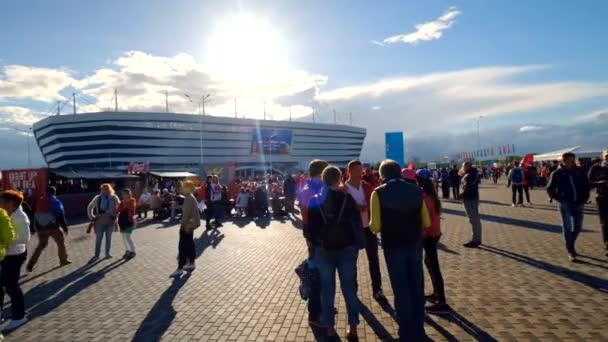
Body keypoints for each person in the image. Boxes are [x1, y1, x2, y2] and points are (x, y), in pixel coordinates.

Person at [369, 160, 431, 342]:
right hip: (414, 244)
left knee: (401, 288)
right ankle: (419, 329)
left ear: (382, 175)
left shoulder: (378, 193)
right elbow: (426, 222)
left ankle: (406, 333)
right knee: (417, 286)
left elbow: (375, 226)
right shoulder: (416, 190)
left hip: (393, 245)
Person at [307, 166, 361, 341]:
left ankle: (330, 329)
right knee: (349, 289)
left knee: (327, 291)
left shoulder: (315, 200)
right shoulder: (347, 198)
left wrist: (314, 246)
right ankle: (353, 328)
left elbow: (309, 231)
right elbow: (356, 224)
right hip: (347, 249)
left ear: (323, 179)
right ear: (339, 178)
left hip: (324, 250)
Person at [344, 160, 388, 304]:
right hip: (352, 230)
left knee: (374, 259)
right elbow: (341, 211)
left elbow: (375, 204)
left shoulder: (367, 187)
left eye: (360, 170)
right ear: (349, 171)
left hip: (369, 228)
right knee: (352, 261)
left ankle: (377, 289)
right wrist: (354, 208)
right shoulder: (343, 189)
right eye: (356, 171)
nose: (359, 173)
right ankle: (353, 290)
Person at [297, 159, 328, 328]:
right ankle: (314, 314)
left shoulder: (306, 188)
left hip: (311, 235)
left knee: (319, 272)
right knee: (317, 275)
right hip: (317, 237)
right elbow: (308, 215)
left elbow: (305, 216)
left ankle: (319, 308)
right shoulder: (316, 189)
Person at [414, 170, 449, 314]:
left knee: (434, 266)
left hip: (428, 235)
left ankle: (442, 301)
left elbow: (424, 222)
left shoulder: (425, 198)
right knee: (429, 263)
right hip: (435, 234)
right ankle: (436, 293)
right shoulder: (432, 195)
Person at [547, 152, 591, 262]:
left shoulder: (579, 171)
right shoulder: (557, 173)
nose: (572, 162)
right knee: (567, 226)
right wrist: (560, 198)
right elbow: (549, 188)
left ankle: (570, 243)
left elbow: (586, 185)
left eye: (573, 160)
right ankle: (570, 250)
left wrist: (585, 197)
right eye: (570, 160)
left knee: (578, 227)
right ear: (564, 161)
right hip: (565, 202)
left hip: (579, 202)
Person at [0, 191, 30, 330]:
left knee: (11, 286)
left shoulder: (21, 217)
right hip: (4, 254)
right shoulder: (5, 214)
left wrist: (6, 241)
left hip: (16, 255)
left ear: (11, 203)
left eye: (3, 202)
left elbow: (25, 238)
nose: (0, 204)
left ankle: (19, 316)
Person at [26, 186, 71, 272]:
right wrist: (65, 228)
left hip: (40, 228)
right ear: (54, 192)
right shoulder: (55, 201)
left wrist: (33, 228)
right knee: (60, 243)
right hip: (52, 227)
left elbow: (33, 214)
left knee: (41, 245)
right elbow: (60, 215)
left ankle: (31, 263)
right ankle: (63, 260)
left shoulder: (39, 200)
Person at [171, 181, 201, 277]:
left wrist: (182, 225)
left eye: (184, 187)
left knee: (182, 246)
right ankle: (191, 263)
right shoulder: (191, 197)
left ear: (188, 188)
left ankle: (180, 267)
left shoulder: (188, 198)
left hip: (187, 225)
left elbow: (186, 214)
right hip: (191, 225)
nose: (182, 189)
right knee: (189, 244)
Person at [87, 183, 120, 262]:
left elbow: (119, 206)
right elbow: (90, 207)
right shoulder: (98, 198)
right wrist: (92, 217)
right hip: (100, 221)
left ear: (110, 189)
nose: (105, 190)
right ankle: (96, 255)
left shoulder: (114, 197)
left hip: (110, 221)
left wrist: (116, 215)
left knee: (108, 238)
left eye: (107, 189)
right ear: (101, 190)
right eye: (103, 189)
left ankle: (107, 253)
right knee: (99, 239)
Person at [588, 150, 608, 255]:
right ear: (603, 157)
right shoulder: (596, 168)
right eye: (607, 156)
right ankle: (607, 243)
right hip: (602, 197)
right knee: (605, 222)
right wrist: (600, 183)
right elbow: (589, 182)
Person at [459, 162, 483, 248]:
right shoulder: (471, 173)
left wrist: (461, 195)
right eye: (463, 166)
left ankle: (476, 240)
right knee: (473, 219)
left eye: (464, 166)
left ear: (468, 166)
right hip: (470, 198)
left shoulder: (471, 174)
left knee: (474, 219)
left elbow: (468, 187)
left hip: (471, 198)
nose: (463, 167)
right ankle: (476, 239)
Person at [117, 189, 137, 260]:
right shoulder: (122, 202)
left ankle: (133, 250)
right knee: (123, 237)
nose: (123, 195)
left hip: (129, 221)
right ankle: (127, 250)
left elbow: (132, 209)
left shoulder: (132, 200)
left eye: (125, 194)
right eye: (123, 194)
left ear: (129, 194)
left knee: (128, 236)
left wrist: (125, 204)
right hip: (122, 221)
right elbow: (118, 210)